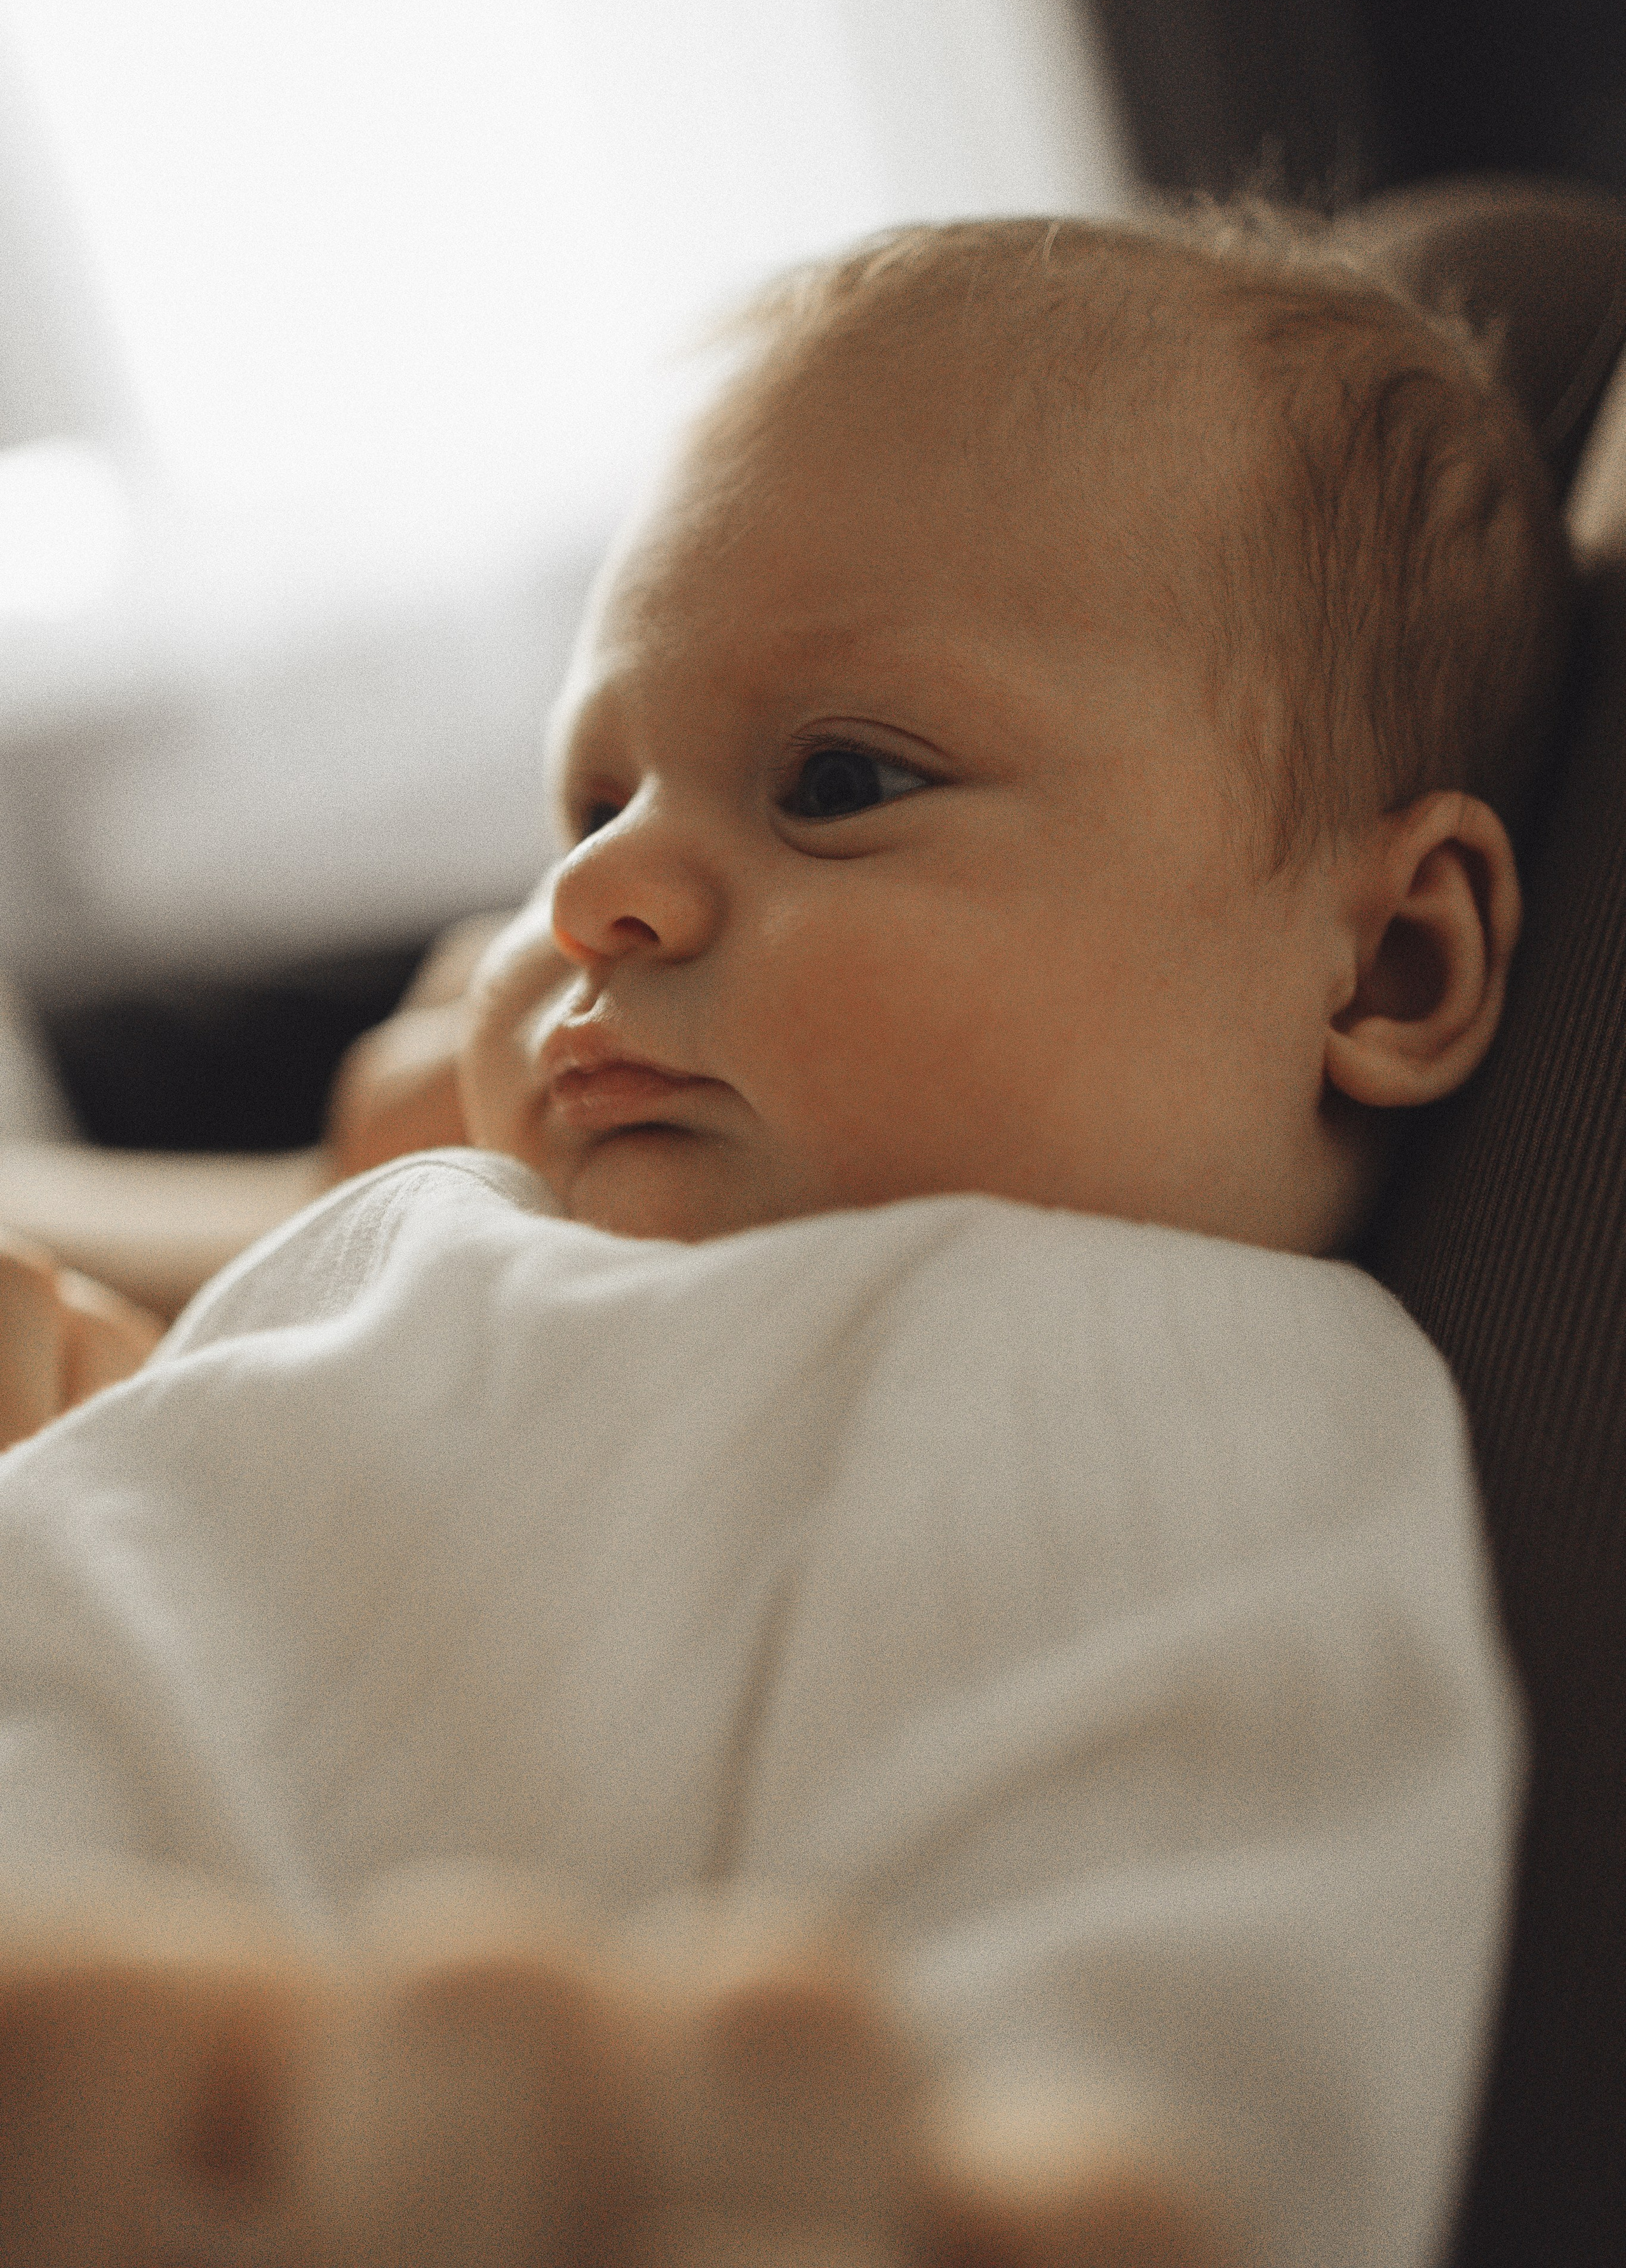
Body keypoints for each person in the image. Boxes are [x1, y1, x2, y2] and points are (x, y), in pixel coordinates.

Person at [0, 211, 1570, 2266]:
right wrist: (99, 1436)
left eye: (836, 781)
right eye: (590, 806)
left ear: (1384, 964)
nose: (593, 897)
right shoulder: (446, 1224)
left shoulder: (1157, 1364)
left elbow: (1159, 2012)